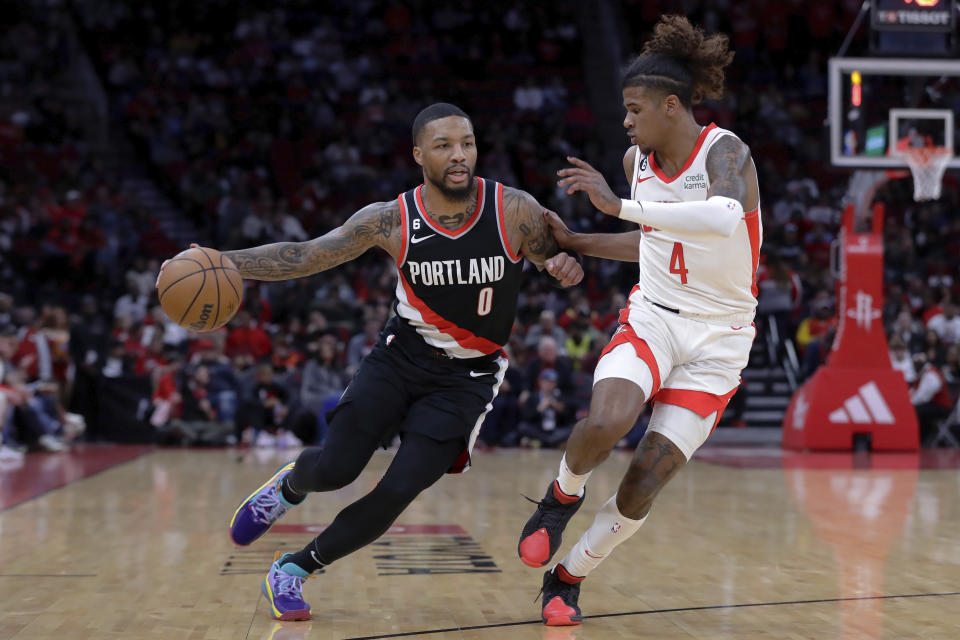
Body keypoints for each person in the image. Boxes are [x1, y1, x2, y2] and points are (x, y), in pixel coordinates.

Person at [158, 103, 583, 621]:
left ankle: (293, 570)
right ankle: (289, 488)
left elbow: (557, 257)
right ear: (418, 154)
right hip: (399, 357)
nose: (459, 155)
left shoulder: (513, 209)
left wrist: (565, 265)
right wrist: (228, 262)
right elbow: (309, 254)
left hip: (467, 377)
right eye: (445, 145)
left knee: (396, 492)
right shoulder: (391, 218)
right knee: (336, 470)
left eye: (467, 143)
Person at [516, 17, 761, 625]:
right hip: (655, 313)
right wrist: (580, 239)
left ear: (671, 106)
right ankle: (558, 498)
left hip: (720, 339)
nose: (625, 121)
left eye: (634, 109)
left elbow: (720, 219)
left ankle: (567, 576)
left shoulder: (725, 152)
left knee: (643, 481)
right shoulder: (636, 161)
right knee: (609, 418)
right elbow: (654, 241)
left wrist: (620, 207)